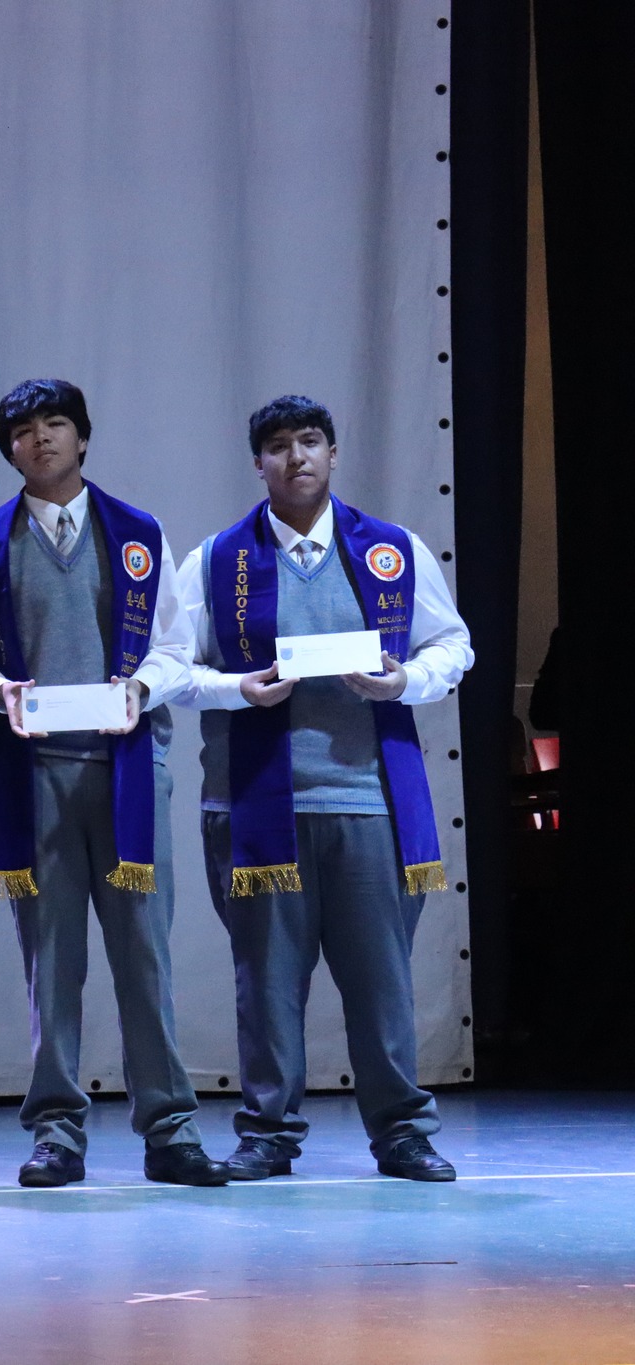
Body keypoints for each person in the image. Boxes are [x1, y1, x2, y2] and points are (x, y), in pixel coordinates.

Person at [175, 395, 473, 1181]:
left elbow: (454, 645)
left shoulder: (392, 550)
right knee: (266, 983)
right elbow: (170, 669)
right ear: (258, 463)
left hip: (368, 801)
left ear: (334, 454)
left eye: (310, 441)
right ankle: (268, 1132)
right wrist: (239, 688)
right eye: (278, 445)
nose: (296, 457)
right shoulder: (216, 560)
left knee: (382, 982)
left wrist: (402, 679)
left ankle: (404, 1130)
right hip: (253, 806)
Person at [0, 379, 229, 1189]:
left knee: (146, 957)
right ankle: (58, 1131)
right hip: (34, 777)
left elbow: (177, 648)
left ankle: (170, 1127)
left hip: (130, 770)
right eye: (25, 430)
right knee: (52, 962)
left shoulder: (137, 535)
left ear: (82, 437)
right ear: (9, 449)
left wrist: (141, 688)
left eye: (56, 425)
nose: (41, 440)